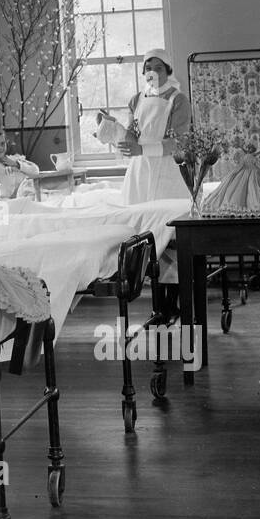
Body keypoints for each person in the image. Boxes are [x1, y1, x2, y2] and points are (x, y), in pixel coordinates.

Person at [94, 48, 192, 323]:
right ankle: (158, 304)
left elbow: (179, 142)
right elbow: (131, 137)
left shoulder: (178, 100)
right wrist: (110, 127)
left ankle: (172, 303)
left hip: (167, 170)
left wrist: (142, 149)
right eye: (148, 67)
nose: (152, 72)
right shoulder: (137, 99)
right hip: (140, 173)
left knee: (169, 236)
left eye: (158, 67)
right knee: (143, 236)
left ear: (168, 71)